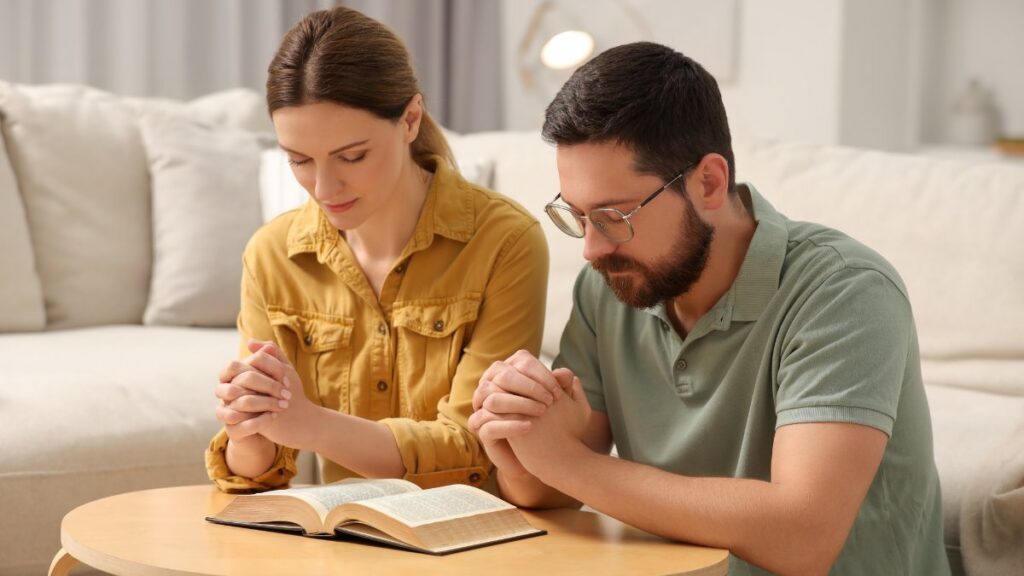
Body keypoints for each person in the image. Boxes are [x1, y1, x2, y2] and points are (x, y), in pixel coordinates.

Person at [469, 42, 950, 575]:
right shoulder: (610, 285)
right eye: (577, 216)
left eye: (613, 216)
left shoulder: (846, 292)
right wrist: (514, 434)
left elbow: (802, 538)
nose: (592, 249)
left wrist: (569, 463)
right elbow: (549, 492)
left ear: (709, 182)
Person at [205, 6, 548, 494]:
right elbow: (259, 468)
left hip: (473, 539)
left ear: (410, 119)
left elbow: (476, 449)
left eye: (352, 156)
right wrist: (247, 427)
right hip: (346, 539)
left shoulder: (505, 241)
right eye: (299, 160)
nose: (324, 187)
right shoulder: (271, 255)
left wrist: (307, 424)